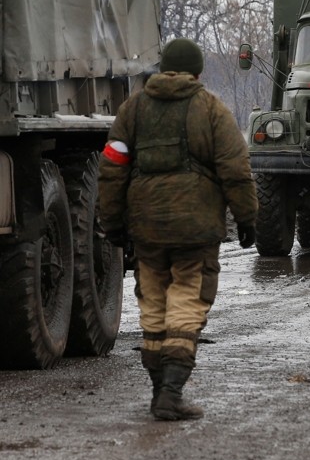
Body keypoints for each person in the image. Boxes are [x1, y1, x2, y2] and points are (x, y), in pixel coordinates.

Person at [98, 39, 258, 421]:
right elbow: (235, 170)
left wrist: (113, 222)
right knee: (187, 300)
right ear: (197, 72)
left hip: (146, 227)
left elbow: (112, 168)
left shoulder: (131, 110)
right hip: (195, 228)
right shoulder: (212, 110)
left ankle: (159, 391)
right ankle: (170, 393)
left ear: (162, 68)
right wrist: (248, 218)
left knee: (153, 304)